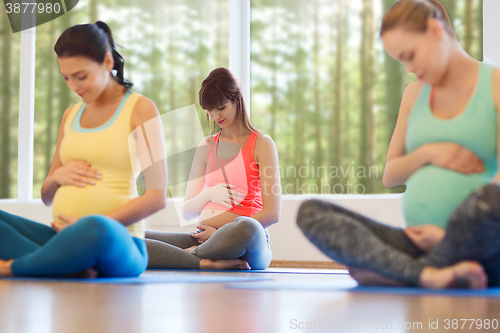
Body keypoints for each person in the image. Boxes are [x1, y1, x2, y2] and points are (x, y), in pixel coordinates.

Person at [297, 0, 500, 289]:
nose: (409, 68)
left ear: (434, 30)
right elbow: (391, 174)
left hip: (482, 247)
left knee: (493, 200)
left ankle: (401, 272)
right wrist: (429, 153)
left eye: (411, 55)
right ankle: (429, 274)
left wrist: (447, 237)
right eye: (401, 61)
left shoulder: (494, 84)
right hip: (416, 241)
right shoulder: (414, 94)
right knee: (311, 212)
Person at [0, 21, 167, 277]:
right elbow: (47, 197)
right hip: (59, 237)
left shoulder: (141, 109)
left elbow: (156, 197)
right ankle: (72, 266)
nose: (74, 86)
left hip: (117, 241)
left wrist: (83, 227)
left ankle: (12, 268)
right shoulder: (70, 115)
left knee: (95, 227)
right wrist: (57, 177)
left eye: (81, 76)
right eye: (66, 77)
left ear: (107, 63)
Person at [145, 67, 281, 270]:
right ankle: (206, 260)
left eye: (220, 107)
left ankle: (190, 257)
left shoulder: (262, 143)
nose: (215, 116)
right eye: (209, 110)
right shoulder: (206, 145)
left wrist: (219, 234)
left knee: (247, 228)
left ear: (236, 100)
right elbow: (187, 212)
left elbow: (272, 213)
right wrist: (208, 193)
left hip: (247, 241)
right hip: (204, 239)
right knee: (137, 235)